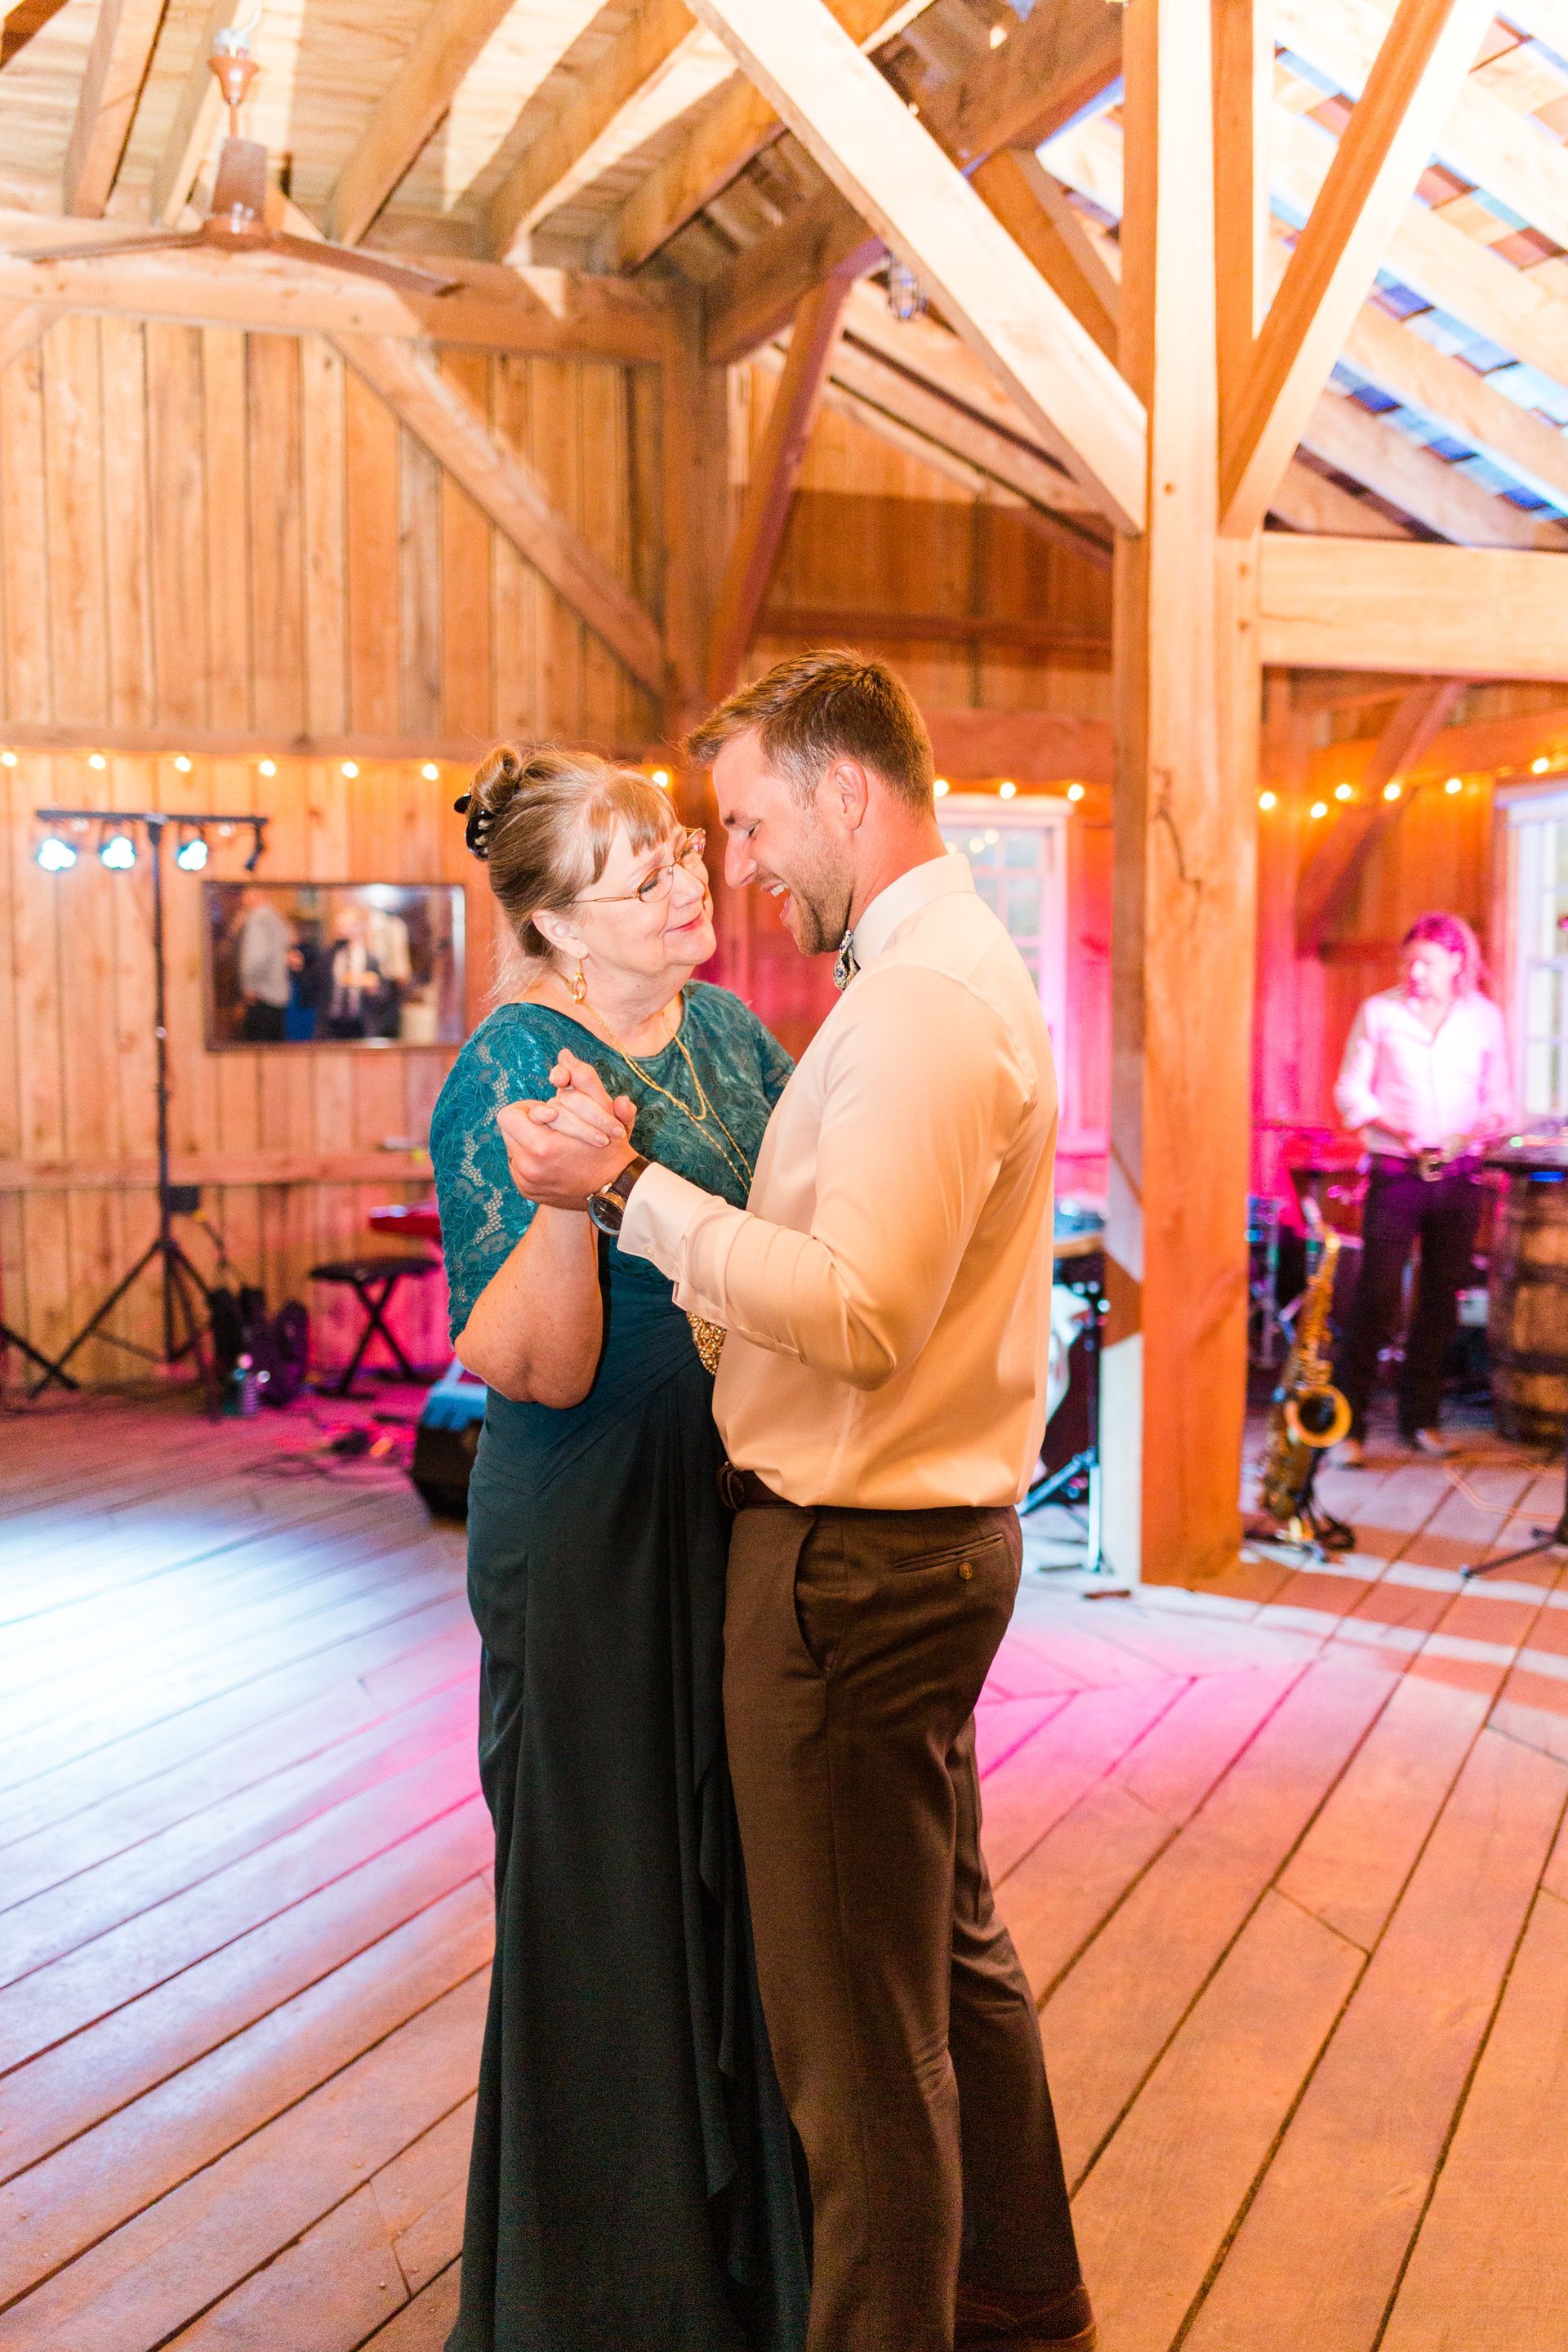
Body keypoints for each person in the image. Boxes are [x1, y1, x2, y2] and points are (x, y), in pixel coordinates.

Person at [504, 654, 1093, 2352]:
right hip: (911, 1552)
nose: (741, 861)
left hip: (852, 1570)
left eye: (755, 817)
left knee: (859, 2048)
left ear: (848, 790)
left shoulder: (915, 1007)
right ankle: (1026, 2313)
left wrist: (624, 1189)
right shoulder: (930, 974)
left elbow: (855, 1312)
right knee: (951, 1974)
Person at [427, 747, 808, 2352]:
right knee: (607, 1891)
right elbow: (533, 1367)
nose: (680, 878)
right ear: (553, 926)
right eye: (633, 869)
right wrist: (576, 1201)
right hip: (585, 1514)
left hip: (735, 1493)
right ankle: (608, 2299)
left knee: (740, 1880)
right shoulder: (511, 1062)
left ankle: (745, 2269)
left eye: (671, 847)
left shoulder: (731, 1032)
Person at [1332, 911, 1512, 1466]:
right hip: (1396, 1174)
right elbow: (1349, 1092)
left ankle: (1422, 1421)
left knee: (1439, 1303)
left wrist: (1484, 1125)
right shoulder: (1380, 1013)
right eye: (1408, 960)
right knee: (1376, 1300)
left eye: (1427, 962)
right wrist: (1397, 1132)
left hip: (1459, 1177)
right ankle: (1348, 1428)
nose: (1414, 972)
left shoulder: (1484, 1018)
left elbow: (1500, 1098)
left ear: (1458, 962)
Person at [234, 885, 292, 1042]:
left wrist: (249, 985)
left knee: (257, 1051)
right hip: (278, 991)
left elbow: (256, 956)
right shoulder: (276, 916)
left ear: (256, 893)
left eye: (245, 893)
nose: (243, 898)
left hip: (262, 993)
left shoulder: (258, 917)